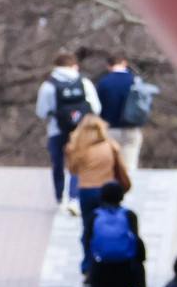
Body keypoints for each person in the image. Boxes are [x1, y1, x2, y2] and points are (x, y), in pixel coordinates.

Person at [64, 114, 131, 270]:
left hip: (86, 191)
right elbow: (120, 169)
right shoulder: (110, 146)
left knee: (88, 228)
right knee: (110, 224)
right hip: (106, 191)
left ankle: (88, 264)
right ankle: (111, 257)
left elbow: (73, 170)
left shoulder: (78, 149)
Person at [35, 50, 101, 209]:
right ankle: (74, 198)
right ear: (74, 65)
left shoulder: (48, 85)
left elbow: (41, 111)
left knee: (58, 163)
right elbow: (96, 108)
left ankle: (59, 197)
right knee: (77, 163)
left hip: (56, 130)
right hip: (80, 130)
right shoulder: (84, 82)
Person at [96, 55, 146, 173]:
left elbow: (97, 107)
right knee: (129, 166)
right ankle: (126, 188)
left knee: (110, 166)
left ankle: (111, 190)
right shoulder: (135, 81)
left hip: (110, 128)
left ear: (109, 66)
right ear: (124, 63)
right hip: (132, 127)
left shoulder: (104, 83)